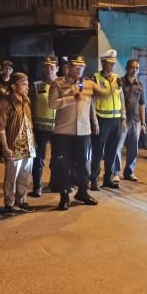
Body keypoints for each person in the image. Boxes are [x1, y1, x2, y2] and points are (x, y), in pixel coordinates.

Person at [48, 54, 100, 211]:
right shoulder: (58, 83)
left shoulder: (88, 84)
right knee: (63, 165)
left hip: (84, 131)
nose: (79, 70)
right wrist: (71, 98)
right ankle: (64, 196)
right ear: (68, 68)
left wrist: (94, 121)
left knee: (83, 164)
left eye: (82, 67)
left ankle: (82, 192)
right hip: (63, 132)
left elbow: (90, 105)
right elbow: (52, 104)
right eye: (76, 67)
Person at [0, 72, 36, 214]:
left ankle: (22, 201)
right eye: (23, 84)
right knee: (11, 177)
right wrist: (5, 147)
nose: (27, 87)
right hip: (14, 145)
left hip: (28, 144)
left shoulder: (26, 100)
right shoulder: (5, 103)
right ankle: (9, 204)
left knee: (25, 175)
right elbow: (0, 127)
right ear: (14, 86)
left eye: (27, 84)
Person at [90, 49, 125, 190]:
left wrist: (123, 116)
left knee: (112, 151)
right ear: (103, 63)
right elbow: (91, 101)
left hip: (115, 120)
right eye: (109, 63)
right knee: (98, 152)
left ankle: (108, 178)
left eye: (113, 63)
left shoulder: (118, 79)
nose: (111, 65)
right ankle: (93, 180)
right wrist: (94, 120)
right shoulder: (95, 78)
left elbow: (121, 98)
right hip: (101, 120)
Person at [29, 55, 58, 197]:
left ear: (57, 68)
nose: (48, 69)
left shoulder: (62, 85)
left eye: (51, 66)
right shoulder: (36, 86)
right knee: (38, 159)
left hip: (58, 129)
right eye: (46, 66)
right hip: (40, 128)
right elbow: (29, 107)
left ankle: (55, 183)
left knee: (58, 158)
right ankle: (37, 186)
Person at [116, 58, 147, 182]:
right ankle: (115, 173)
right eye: (132, 67)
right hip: (122, 120)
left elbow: (142, 104)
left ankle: (129, 172)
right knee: (118, 146)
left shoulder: (140, 85)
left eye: (137, 68)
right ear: (127, 68)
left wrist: (143, 123)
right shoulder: (120, 82)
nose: (135, 70)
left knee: (133, 148)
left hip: (136, 121)